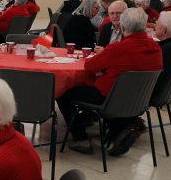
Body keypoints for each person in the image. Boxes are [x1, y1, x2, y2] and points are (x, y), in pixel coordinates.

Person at [57, 8, 162, 156]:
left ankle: (81, 138)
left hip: (110, 98)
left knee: (64, 92)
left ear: (123, 27)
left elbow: (90, 66)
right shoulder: (156, 48)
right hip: (139, 99)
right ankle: (122, 129)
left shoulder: (119, 48)